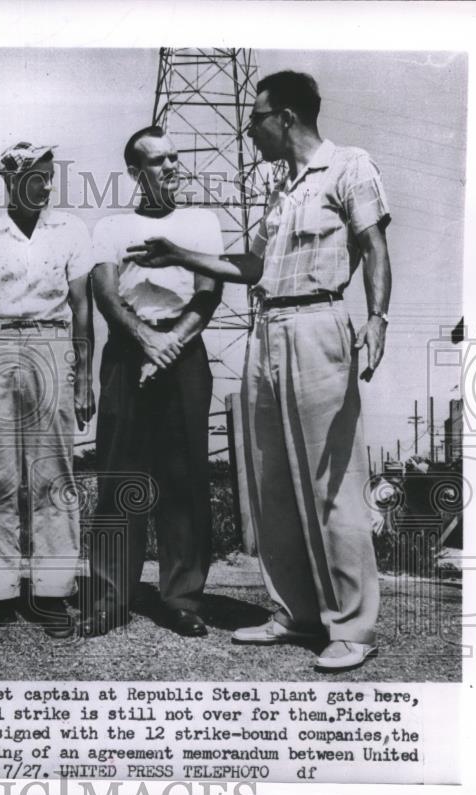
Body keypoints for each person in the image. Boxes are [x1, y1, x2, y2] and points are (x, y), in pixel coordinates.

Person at [127, 71, 391, 672]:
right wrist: (177, 253)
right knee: (270, 482)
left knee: (331, 483)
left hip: (320, 323)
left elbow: (374, 246)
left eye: (257, 117)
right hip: (265, 328)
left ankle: (351, 627)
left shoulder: (350, 166)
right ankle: (293, 613)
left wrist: (377, 318)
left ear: (288, 117)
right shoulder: (280, 187)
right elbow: (249, 265)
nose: (250, 128)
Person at [79, 125, 222, 639]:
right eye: (159, 162)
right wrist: (145, 341)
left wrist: (169, 345)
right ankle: (109, 596)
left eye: (175, 158)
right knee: (121, 476)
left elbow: (208, 293)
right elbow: (105, 294)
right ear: (136, 172)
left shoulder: (202, 223)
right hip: (127, 352)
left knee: (184, 478)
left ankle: (182, 598)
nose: (172, 168)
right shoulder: (112, 227)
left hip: (184, 352)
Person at [0, 142, 95, 639]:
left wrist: (84, 377)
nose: (47, 186)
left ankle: (53, 593)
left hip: (54, 346)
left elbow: (82, 308)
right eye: (37, 177)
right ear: (12, 180)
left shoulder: (70, 230)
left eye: (50, 176)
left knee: (53, 472)